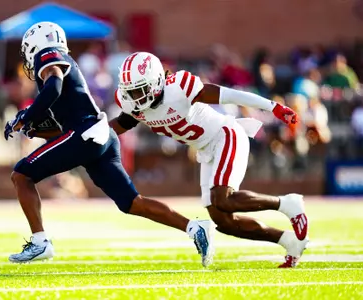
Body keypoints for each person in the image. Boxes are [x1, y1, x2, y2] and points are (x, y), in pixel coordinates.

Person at [3, 23, 214, 266]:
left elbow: (54, 86)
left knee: (22, 175)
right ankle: (194, 227)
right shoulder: (63, 63)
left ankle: (40, 242)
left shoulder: (47, 55)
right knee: (132, 202)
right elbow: (63, 128)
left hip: (86, 134)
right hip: (98, 135)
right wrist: (34, 128)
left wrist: (26, 115)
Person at [109, 52, 310, 268]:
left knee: (223, 198)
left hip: (225, 135)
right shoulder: (133, 104)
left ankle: (287, 203)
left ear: (157, 81)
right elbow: (122, 123)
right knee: (223, 221)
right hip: (204, 149)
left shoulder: (179, 87)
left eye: (140, 89)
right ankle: (288, 241)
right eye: (131, 91)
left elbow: (229, 95)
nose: (136, 96)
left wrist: (273, 107)